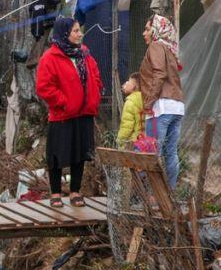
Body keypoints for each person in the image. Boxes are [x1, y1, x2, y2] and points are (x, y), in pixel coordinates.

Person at [36, 16, 103, 207]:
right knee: (57, 155)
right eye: (75, 31)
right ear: (64, 34)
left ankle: (75, 191)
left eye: (79, 30)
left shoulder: (84, 54)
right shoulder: (50, 57)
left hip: (84, 114)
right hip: (62, 115)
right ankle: (55, 192)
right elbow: (44, 87)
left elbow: (96, 77)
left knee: (80, 154)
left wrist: (94, 95)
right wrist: (64, 102)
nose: (80, 34)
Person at [139, 14, 185, 189]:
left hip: (162, 107)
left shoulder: (156, 46)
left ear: (156, 30)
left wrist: (148, 103)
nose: (144, 33)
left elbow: (159, 74)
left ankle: (150, 196)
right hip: (177, 106)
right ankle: (169, 194)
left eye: (147, 28)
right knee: (170, 153)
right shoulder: (170, 50)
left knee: (150, 153)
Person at [116, 73, 144, 147]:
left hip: (133, 143)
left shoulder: (130, 102)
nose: (125, 83)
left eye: (128, 81)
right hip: (146, 141)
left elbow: (127, 127)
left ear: (133, 86)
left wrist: (120, 141)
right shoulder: (146, 99)